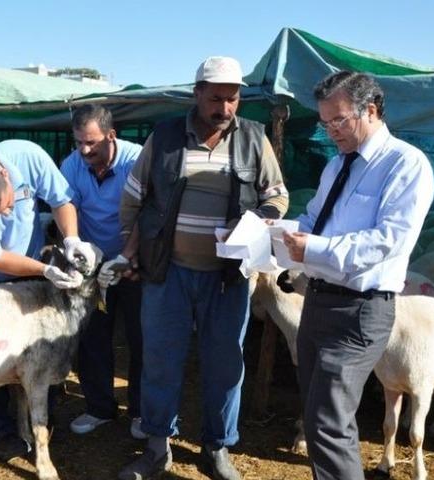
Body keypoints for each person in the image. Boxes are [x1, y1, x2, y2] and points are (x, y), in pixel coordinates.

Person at [115, 56, 289, 480]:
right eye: (216, 98)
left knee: (225, 363)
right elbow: (135, 198)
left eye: (233, 99)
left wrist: (259, 219)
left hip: (228, 277)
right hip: (167, 271)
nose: (225, 108)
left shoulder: (253, 138)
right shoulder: (166, 136)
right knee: (160, 359)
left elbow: (278, 195)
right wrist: (131, 251)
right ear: (196, 93)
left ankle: (216, 448)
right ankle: (157, 447)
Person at [282, 71, 434, 480]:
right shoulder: (336, 167)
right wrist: (271, 231)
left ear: (370, 110)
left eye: (339, 121)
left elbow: (388, 240)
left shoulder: (405, 164)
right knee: (316, 418)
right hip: (318, 302)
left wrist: (311, 248)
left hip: (360, 310)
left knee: (329, 422)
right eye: (325, 123)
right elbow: (313, 218)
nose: (331, 131)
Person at [0, 138, 96, 461]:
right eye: (1, 214)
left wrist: (70, 238)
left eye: (10, 204)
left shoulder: (26, 156)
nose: (10, 212)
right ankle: (1, 430)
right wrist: (45, 270)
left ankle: (43, 414)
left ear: (5, 177)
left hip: (31, 270)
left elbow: (61, 200)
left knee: (45, 344)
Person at [59, 105, 146, 439]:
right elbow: (66, 204)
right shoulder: (73, 164)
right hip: (92, 267)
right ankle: (99, 408)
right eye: (79, 141)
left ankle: (141, 411)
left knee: (142, 337)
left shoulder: (136, 161)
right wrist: (75, 244)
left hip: (134, 264)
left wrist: (126, 257)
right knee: (93, 336)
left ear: (111, 136)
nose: (84, 150)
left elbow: (147, 213)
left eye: (91, 143)